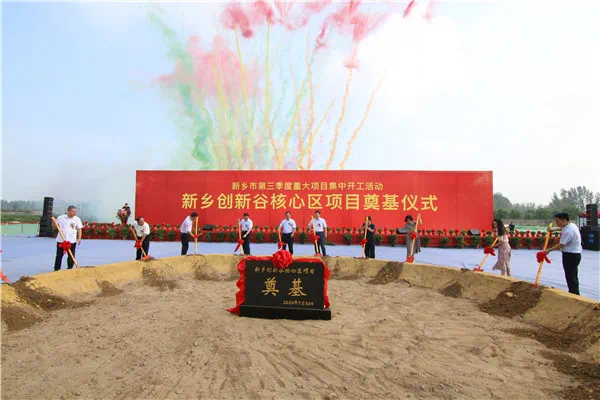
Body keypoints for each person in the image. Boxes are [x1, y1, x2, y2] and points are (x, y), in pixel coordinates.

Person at [545, 213, 582, 295]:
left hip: (571, 256)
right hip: (574, 254)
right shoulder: (571, 225)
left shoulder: (568, 231)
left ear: (564, 220)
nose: (556, 223)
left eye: (558, 221)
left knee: (571, 276)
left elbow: (561, 245)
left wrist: (548, 250)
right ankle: (574, 292)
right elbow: (562, 228)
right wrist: (553, 229)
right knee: (572, 275)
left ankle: (574, 294)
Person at [54, 206, 83, 271]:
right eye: (74, 211)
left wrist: (79, 238)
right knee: (59, 255)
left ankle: (69, 268)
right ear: (69, 211)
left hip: (72, 240)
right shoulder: (60, 218)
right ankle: (56, 269)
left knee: (71, 255)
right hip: (61, 240)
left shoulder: (77, 219)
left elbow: (79, 229)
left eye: (76, 211)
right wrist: (54, 224)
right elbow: (55, 227)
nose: (75, 213)